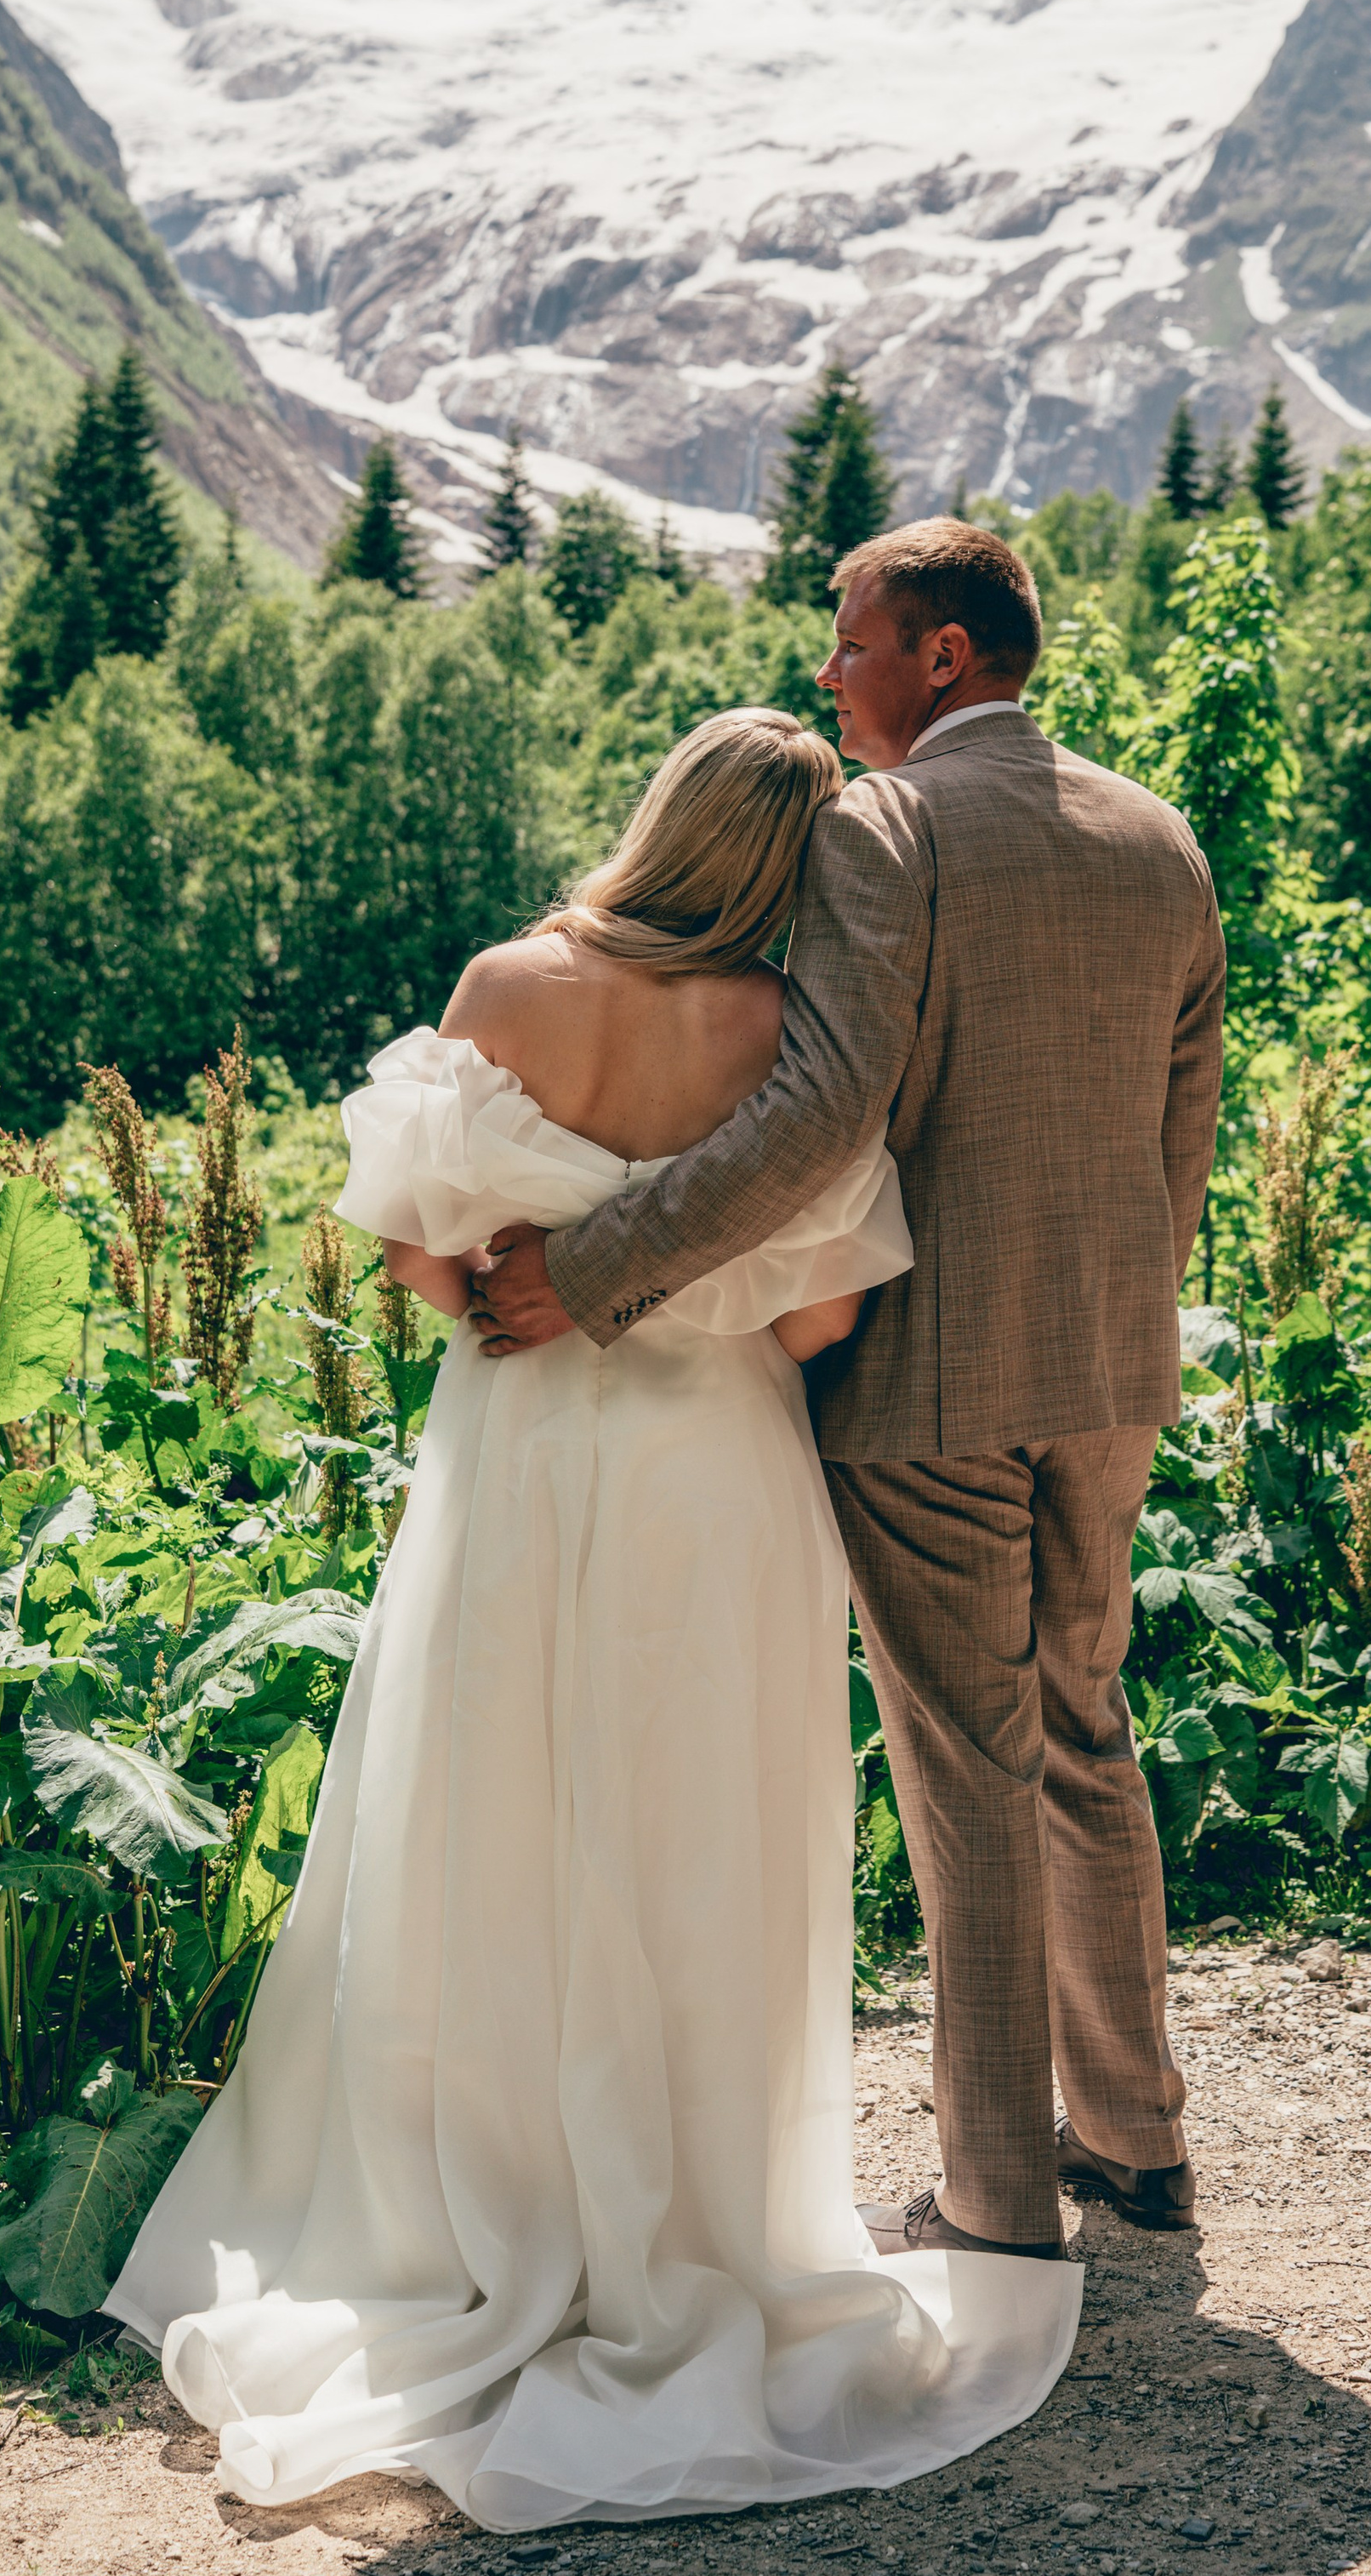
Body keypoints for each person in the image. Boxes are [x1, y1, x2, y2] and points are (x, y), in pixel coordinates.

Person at [105, 705, 1083, 2527]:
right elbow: (811, 1323)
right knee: (693, 1842)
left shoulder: (508, 981)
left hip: (523, 1468)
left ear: (658, 819)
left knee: (495, 1818)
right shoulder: (783, 1032)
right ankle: (696, 2217)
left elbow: (413, 1252)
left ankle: (485, 2206)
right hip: (718, 1487)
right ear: (793, 872)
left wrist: (524, 1248)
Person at [470, 520, 1226, 2260]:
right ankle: (1135, 2142)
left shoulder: (884, 831)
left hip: (931, 1375)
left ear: (940, 655)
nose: (830, 671)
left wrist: (588, 1270)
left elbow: (814, 1120)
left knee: (967, 1763)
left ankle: (995, 2200)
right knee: (1083, 1727)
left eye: (850, 638)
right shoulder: (1155, 837)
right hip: (1109, 1366)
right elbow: (1177, 1134)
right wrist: (1120, 1315)